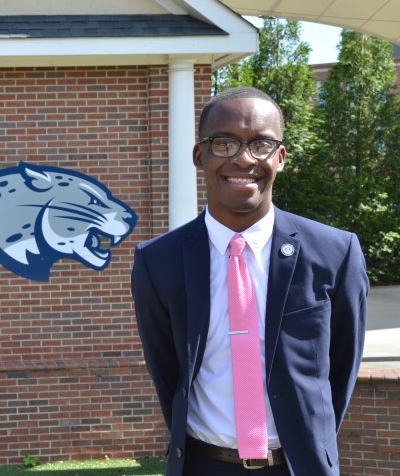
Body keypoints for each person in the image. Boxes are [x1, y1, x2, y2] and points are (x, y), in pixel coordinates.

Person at [131, 87, 368, 476]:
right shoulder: (157, 261)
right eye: (223, 143)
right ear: (199, 155)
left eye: (261, 144)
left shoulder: (334, 253)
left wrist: (311, 441)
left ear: (281, 157)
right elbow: (169, 375)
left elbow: (340, 371)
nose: (243, 158)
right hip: (202, 465)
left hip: (299, 466)